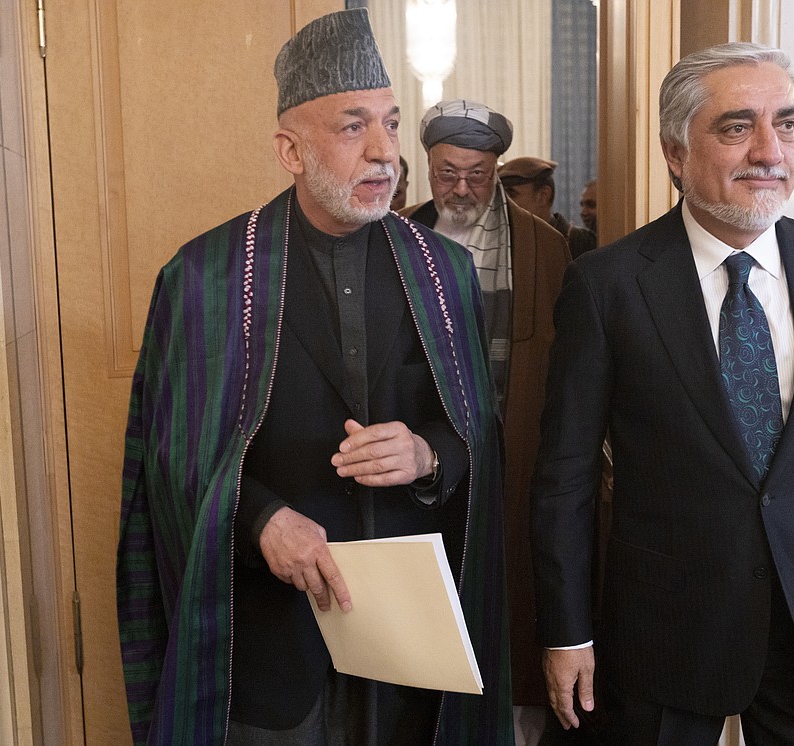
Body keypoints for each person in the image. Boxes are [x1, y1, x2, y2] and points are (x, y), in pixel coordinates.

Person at [116, 10, 512, 745]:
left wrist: (427, 456)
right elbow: (170, 462)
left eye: (391, 124)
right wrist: (261, 520)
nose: (384, 153)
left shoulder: (443, 272)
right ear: (290, 150)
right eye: (353, 126)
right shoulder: (206, 277)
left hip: (411, 655)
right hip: (270, 649)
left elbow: (477, 433)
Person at [531, 42, 794, 744]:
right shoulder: (607, 286)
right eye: (737, 127)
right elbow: (565, 480)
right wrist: (567, 632)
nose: (770, 150)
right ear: (676, 153)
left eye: (787, 124)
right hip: (665, 634)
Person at [401, 100, 571, 741]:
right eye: (448, 174)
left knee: (513, 636)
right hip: (417, 481)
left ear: (496, 168)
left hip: (515, 473)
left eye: (477, 174)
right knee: (423, 644)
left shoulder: (545, 249)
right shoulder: (396, 240)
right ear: (427, 167)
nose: (463, 189)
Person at [498, 156, 597, 258]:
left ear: (543, 195)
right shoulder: (505, 241)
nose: (504, 203)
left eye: (511, 194)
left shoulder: (581, 242)